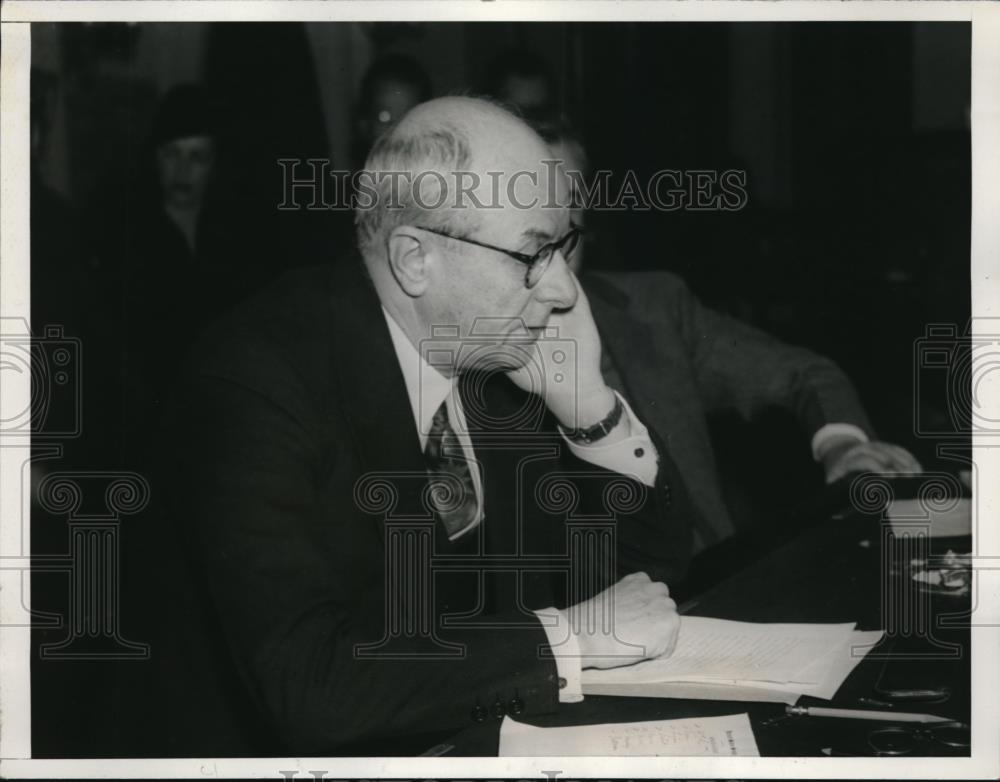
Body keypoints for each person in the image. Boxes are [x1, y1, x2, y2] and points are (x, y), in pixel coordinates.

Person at [152, 97, 698, 756]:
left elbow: (646, 580)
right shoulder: (253, 382)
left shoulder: (496, 356)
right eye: (534, 252)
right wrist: (567, 641)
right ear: (414, 259)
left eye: (563, 246)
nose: (562, 290)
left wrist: (588, 409)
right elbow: (309, 684)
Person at [532, 115, 923, 553]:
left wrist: (844, 446)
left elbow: (805, 374)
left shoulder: (654, 305)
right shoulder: (473, 346)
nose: (558, 228)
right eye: (533, 201)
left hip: (706, 575)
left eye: (570, 201)